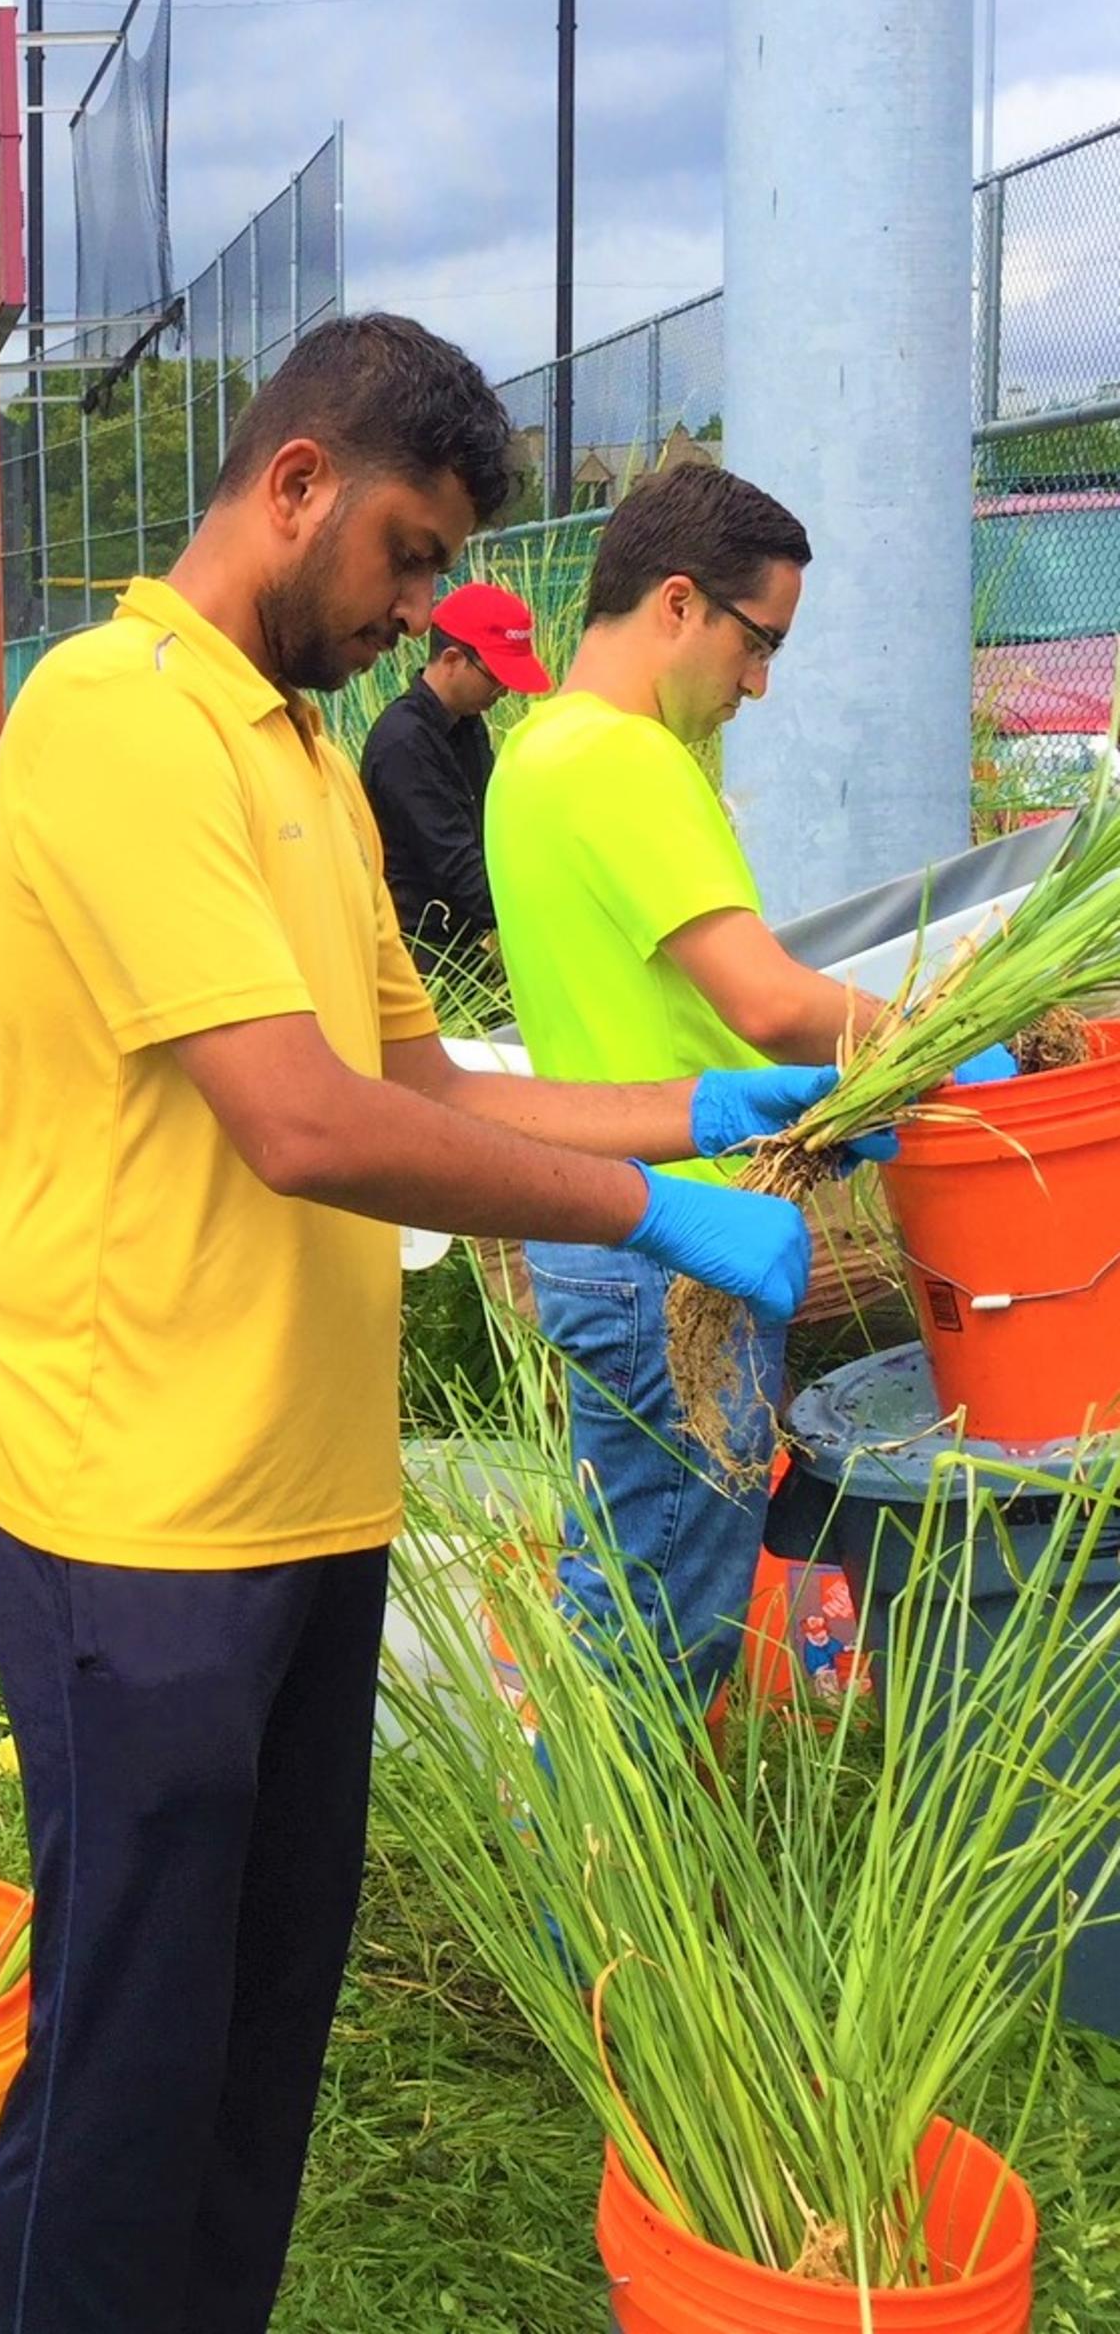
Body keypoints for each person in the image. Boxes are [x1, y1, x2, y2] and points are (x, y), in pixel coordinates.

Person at [0, 315, 849, 2334]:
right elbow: (297, 1118)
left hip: (305, 1501)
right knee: (127, 2065)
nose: (428, 609)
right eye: (412, 555)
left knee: (258, 2040)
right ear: (295, 485)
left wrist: (694, 1106)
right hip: (131, 1517)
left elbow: (423, 1086)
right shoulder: (113, 719)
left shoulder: (303, 766)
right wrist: (651, 1210)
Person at [485, 461, 1014, 1704]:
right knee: (668, 1627)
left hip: (613, 1225)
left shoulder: (538, 754)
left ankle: (587, 1862)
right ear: (679, 603)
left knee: (627, 1583)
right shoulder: (622, 762)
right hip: (676, 1250)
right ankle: (606, 1898)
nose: (760, 683)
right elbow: (767, 1001)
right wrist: (934, 1042)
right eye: (758, 642)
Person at [357, 580, 551, 980]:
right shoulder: (403, 743)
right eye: (495, 676)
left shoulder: (466, 726)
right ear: (451, 659)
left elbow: (495, 828)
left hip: (459, 944)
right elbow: (458, 869)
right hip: (414, 954)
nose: (503, 691)